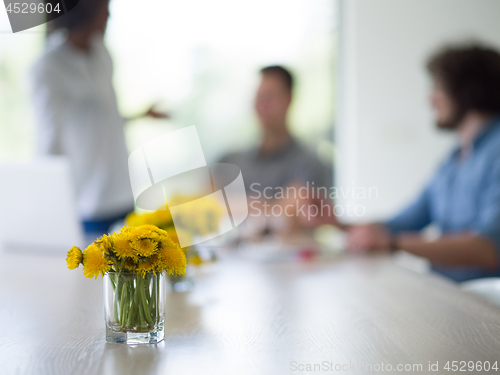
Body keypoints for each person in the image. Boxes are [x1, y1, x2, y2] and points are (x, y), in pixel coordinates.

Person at [347, 43, 500, 281]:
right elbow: (401, 224)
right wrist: (333, 222)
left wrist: (393, 243)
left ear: (467, 90)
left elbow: (488, 248)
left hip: (485, 306)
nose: (431, 99)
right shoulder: (453, 160)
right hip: (449, 295)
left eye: (438, 88)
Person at [29, 0, 166, 239]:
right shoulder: (47, 67)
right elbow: (49, 140)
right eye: (104, 9)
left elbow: (104, 119)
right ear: (84, 12)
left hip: (122, 190)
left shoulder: (102, 54)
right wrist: (47, 203)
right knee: (93, 270)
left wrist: (141, 116)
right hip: (88, 199)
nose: (109, 15)